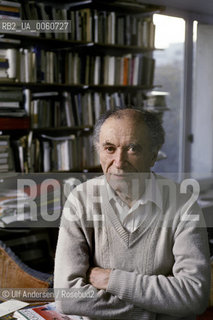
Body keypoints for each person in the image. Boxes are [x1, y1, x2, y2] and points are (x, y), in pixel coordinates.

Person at [54, 107, 210, 320]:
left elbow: (194, 296)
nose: (119, 162)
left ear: (154, 155)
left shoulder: (184, 205)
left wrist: (111, 280)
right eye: (109, 148)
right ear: (98, 150)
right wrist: (157, 308)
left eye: (133, 148)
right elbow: (66, 297)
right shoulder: (80, 200)